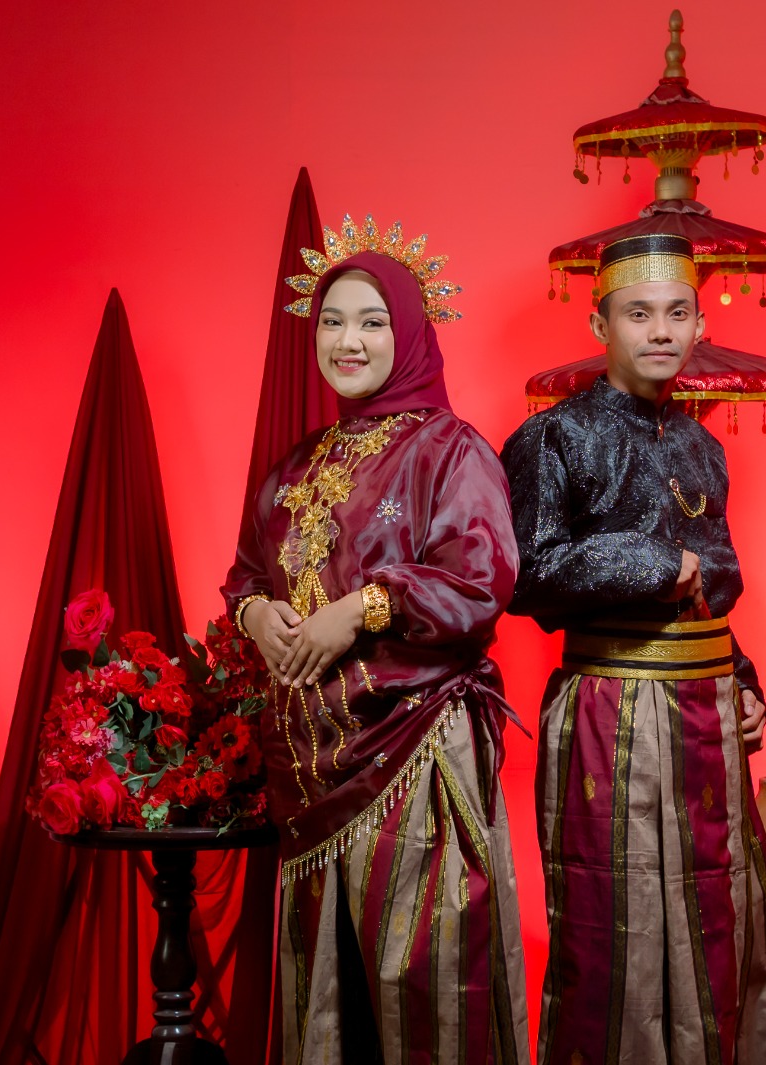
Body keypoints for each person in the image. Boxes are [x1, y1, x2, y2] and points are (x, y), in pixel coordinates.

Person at [222, 216, 529, 1064]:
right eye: (332, 321)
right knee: (327, 1010)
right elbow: (245, 575)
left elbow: (480, 582)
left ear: (412, 332)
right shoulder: (295, 466)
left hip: (414, 755)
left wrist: (359, 609)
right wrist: (255, 615)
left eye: (371, 321)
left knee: (425, 994)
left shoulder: (450, 451)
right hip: (307, 773)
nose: (347, 340)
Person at [500, 233, 766, 1065]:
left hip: (705, 714)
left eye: (675, 314)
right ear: (600, 324)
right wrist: (654, 561)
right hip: (610, 711)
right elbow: (525, 575)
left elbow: (713, 593)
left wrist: (744, 682)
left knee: (720, 916)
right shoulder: (553, 438)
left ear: (701, 324)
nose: (660, 331)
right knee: (614, 928)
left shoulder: (704, 448)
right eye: (638, 314)